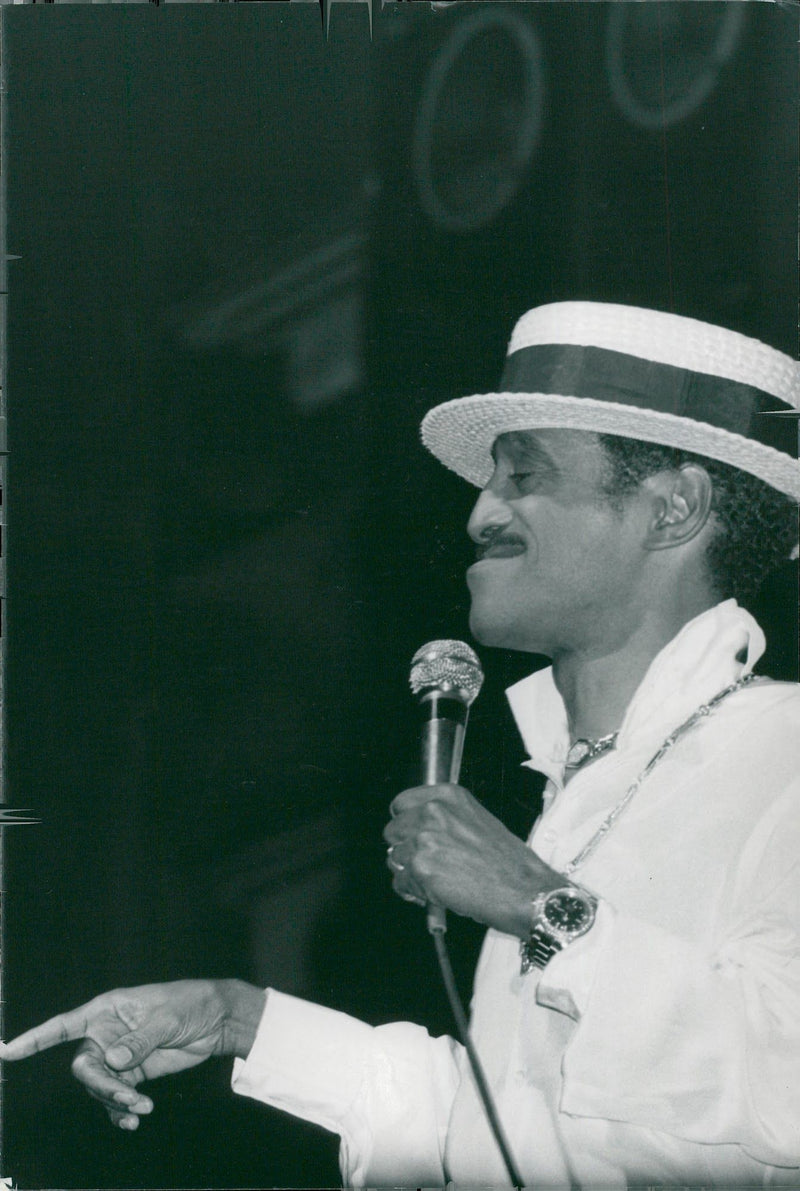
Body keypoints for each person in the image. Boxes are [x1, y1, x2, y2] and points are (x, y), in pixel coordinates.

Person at [2, 300, 800, 1188]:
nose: (478, 515)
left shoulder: (783, 753)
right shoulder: (581, 782)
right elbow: (517, 1122)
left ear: (674, 507)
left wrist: (544, 909)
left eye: (523, 476)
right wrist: (241, 1018)